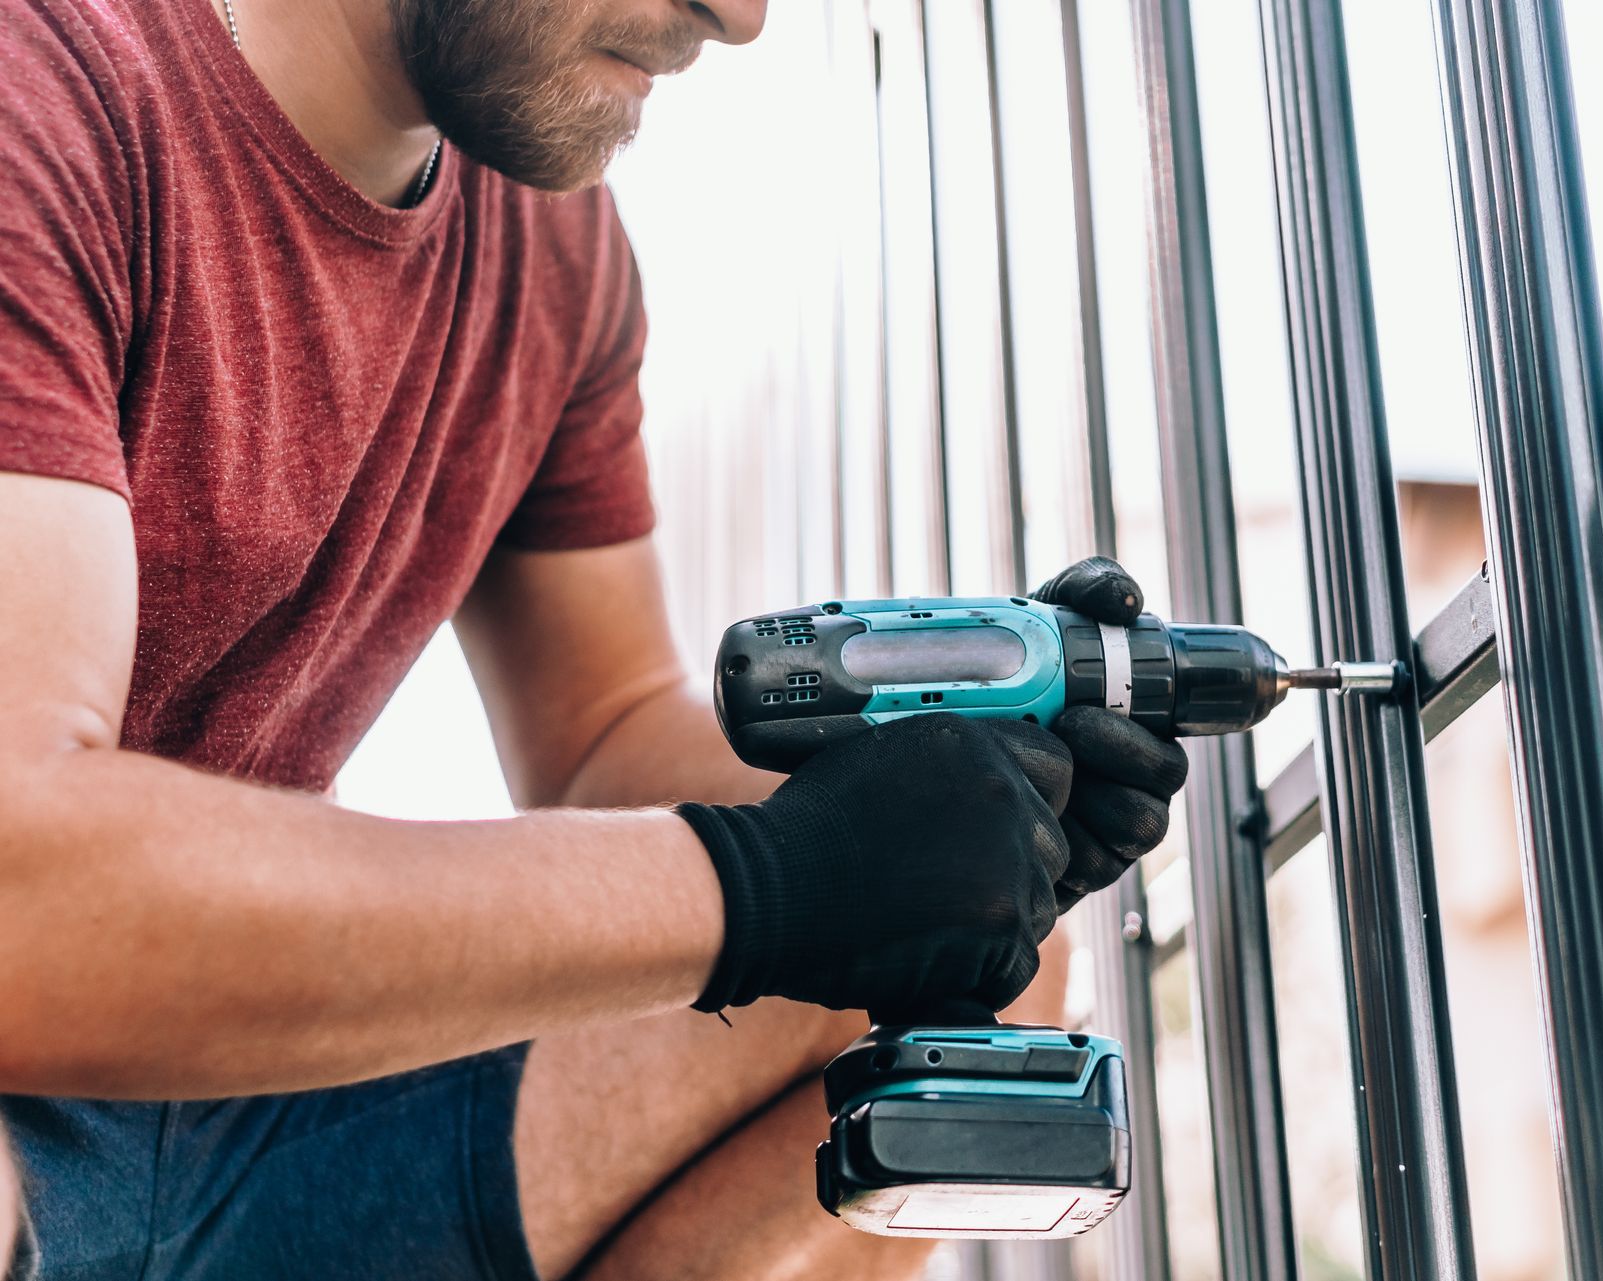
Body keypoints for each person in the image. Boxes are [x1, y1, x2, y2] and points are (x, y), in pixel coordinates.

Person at [0, 1, 1191, 1278]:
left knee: (984, 964)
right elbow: (26, 901)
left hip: (247, 1125)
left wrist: (957, 795)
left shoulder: (547, 244)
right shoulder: (50, 90)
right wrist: (770, 882)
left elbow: (602, 736)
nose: (738, 18)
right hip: (45, 1078)